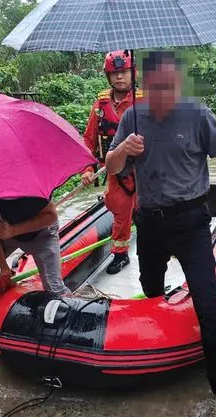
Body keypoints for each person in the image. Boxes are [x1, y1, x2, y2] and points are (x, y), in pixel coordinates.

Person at [105, 51, 216, 417]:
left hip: (190, 221)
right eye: (156, 86)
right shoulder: (131, 117)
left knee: (209, 304)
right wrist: (123, 150)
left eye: (170, 85)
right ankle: (150, 356)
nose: (164, 92)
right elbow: (111, 166)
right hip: (149, 220)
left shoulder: (196, 114)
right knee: (150, 287)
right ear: (146, 85)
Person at [0, 197, 70, 340]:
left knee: (55, 290)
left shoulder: (26, 183)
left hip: (40, 232)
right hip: (1, 232)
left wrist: (13, 230)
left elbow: (50, 215)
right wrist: (4, 268)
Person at [82, 51, 143, 274]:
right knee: (119, 209)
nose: (120, 77)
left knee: (147, 210)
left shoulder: (143, 100)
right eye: (115, 73)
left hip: (144, 168)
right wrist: (88, 168)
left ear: (132, 73)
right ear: (108, 76)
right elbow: (89, 138)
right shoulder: (100, 105)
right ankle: (120, 254)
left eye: (124, 72)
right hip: (116, 169)